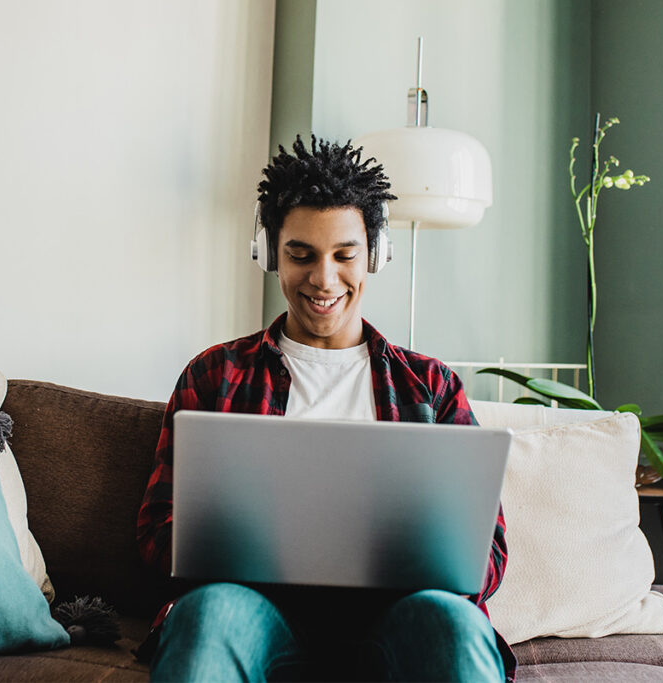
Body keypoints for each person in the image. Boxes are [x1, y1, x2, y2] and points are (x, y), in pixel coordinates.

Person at [136, 135, 515, 682]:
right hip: (255, 616)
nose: (324, 279)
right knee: (210, 613)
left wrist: (423, 556)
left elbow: (490, 553)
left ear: (376, 253)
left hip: (398, 622)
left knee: (453, 624)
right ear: (268, 253)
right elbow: (155, 534)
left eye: (345, 255)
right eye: (301, 255)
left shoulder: (430, 387)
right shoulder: (214, 376)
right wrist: (225, 542)